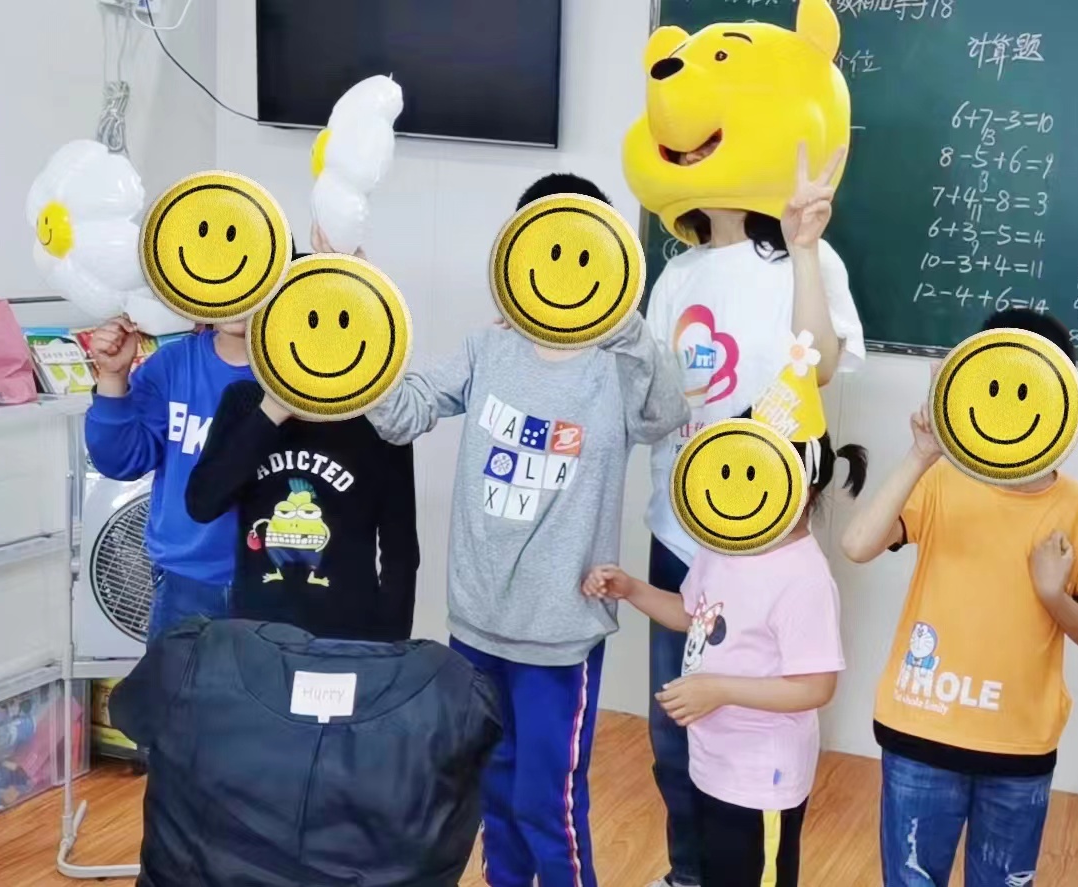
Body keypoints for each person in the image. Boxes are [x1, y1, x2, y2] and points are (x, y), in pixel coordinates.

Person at [364, 173, 688, 887]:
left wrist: (624, 323)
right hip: (478, 623)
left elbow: (666, 413)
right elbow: (401, 416)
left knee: (549, 802)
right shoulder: (487, 350)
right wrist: (356, 326)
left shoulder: (618, 366)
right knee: (493, 790)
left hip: (559, 632)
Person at [840, 310, 1078, 887]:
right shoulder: (939, 481)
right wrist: (922, 453)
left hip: (1019, 746)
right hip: (921, 730)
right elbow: (856, 545)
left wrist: (1053, 594)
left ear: (1062, 395)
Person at [640, 146, 866, 887]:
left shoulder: (806, 256)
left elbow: (820, 365)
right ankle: (690, 872)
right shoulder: (676, 273)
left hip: (764, 538)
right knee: (676, 730)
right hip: (683, 532)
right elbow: (654, 395)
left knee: (740, 710)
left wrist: (803, 247)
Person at [584, 422, 865, 887]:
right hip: (712, 762)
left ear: (804, 485)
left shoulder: (804, 578)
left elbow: (816, 687)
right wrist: (631, 589)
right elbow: (692, 613)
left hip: (762, 781)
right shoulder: (726, 544)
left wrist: (718, 690)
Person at [182, 374, 419, 642]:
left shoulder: (381, 414)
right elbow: (202, 504)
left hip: (348, 637)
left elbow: (400, 549)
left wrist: (393, 647)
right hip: (257, 634)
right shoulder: (245, 400)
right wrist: (271, 412)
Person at [83, 314, 253, 642]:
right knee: (177, 676)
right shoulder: (174, 364)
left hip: (285, 581)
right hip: (185, 581)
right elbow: (122, 460)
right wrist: (113, 377)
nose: (242, 302)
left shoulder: (310, 374)